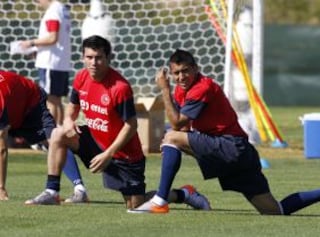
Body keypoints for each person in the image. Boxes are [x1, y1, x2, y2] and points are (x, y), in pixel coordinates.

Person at [130, 49, 320, 217]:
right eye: (176, 73)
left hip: (230, 146)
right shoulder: (182, 90)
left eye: (185, 71)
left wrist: (164, 90)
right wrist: (176, 141)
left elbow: (178, 123)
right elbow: (184, 128)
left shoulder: (202, 87)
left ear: (196, 69)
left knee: (171, 136)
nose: (181, 77)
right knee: (274, 210)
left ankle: (161, 200)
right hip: (236, 151)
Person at [25, 36, 211, 211]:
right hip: (96, 143)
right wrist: (67, 123)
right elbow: (72, 108)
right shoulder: (81, 77)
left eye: (98, 58)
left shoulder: (120, 88)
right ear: (83, 57)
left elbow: (131, 126)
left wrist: (108, 154)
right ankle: (52, 192)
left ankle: (183, 194)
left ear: (108, 58)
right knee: (58, 134)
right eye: (89, 57)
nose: (93, 62)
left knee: (135, 206)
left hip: (124, 155)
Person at [0, 70, 88, 202]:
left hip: (32, 103)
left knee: (53, 141)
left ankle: (80, 189)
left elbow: (1, 147)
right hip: (14, 107)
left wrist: (1, 188)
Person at [20, 0, 71, 126]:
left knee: (50, 100)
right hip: (61, 62)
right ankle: (58, 135)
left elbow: (52, 38)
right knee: (57, 100)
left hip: (50, 63)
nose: (37, 3)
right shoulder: (63, 9)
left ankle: (51, 136)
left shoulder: (53, 12)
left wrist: (30, 43)